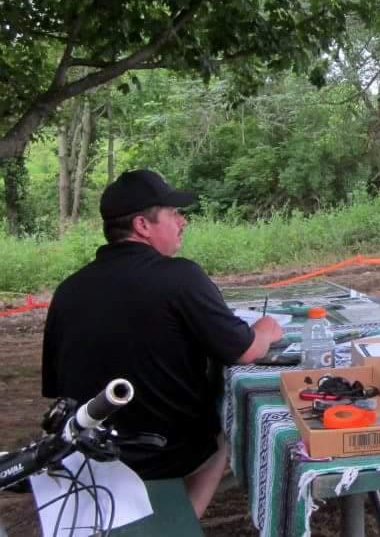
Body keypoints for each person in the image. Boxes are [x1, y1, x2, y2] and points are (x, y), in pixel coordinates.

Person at [41, 169, 283, 518]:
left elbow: (56, 388)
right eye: (173, 214)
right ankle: (180, 521)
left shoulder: (67, 290)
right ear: (142, 225)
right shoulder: (179, 276)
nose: (182, 222)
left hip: (85, 454)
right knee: (227, 433)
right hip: (162, 452)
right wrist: (266, 329)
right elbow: (245, 349)